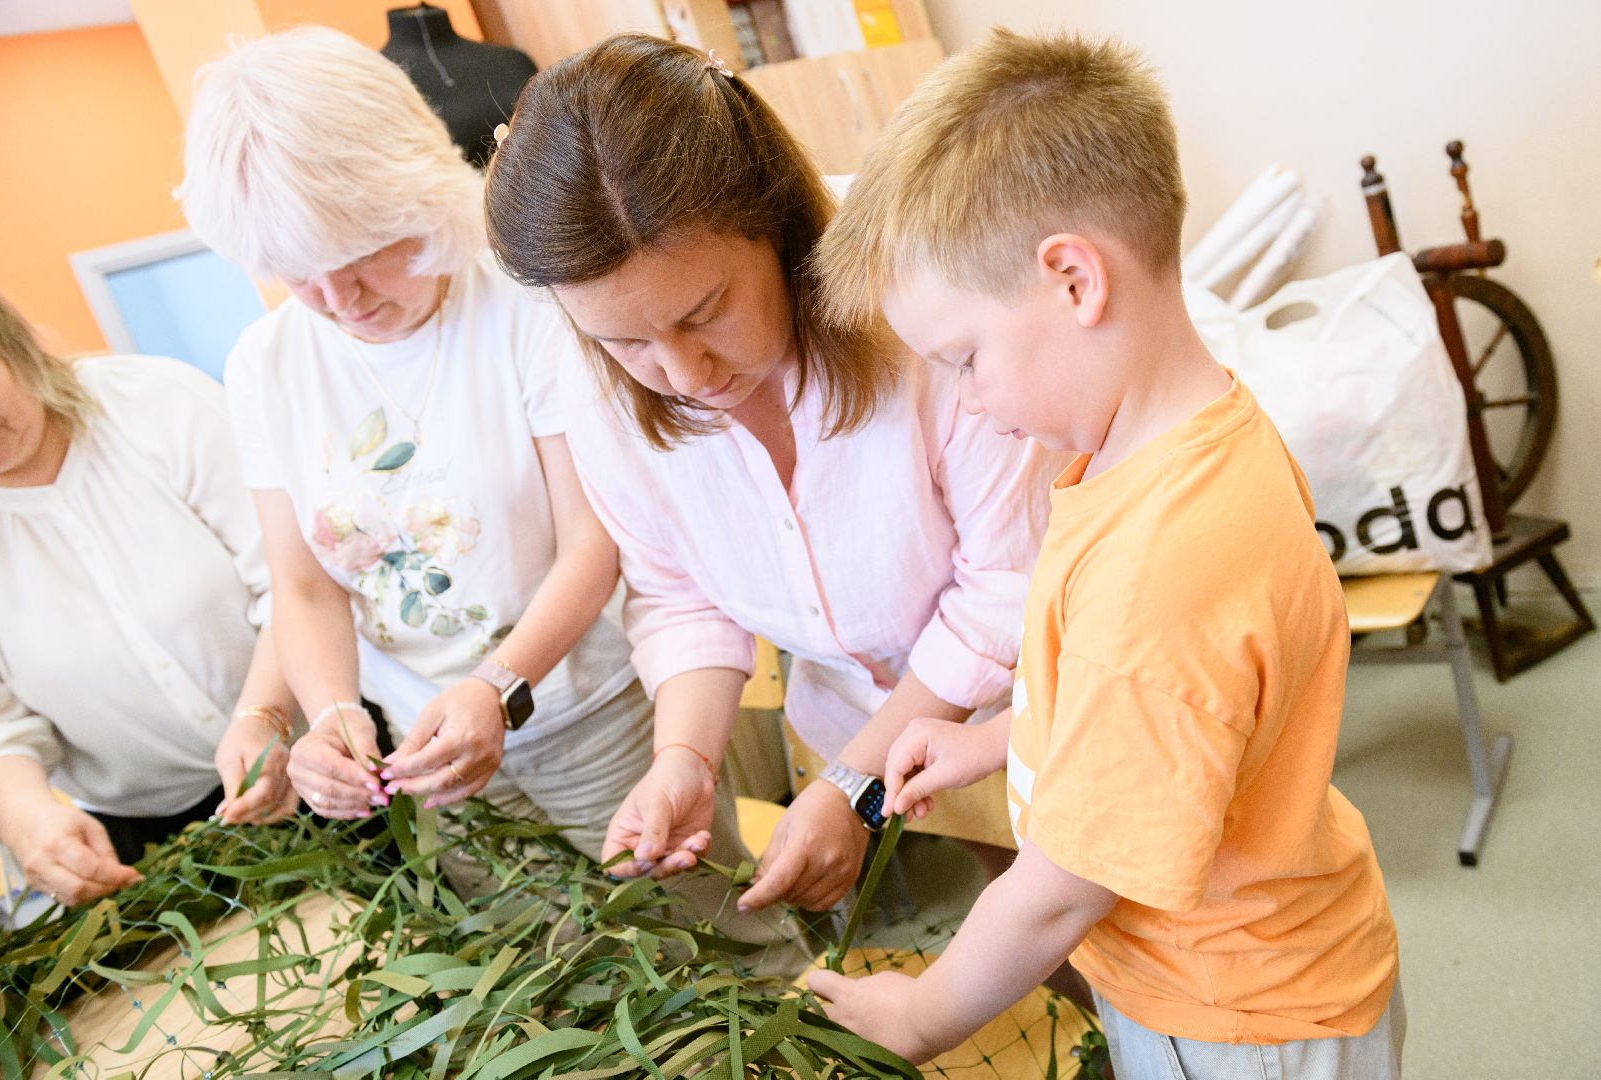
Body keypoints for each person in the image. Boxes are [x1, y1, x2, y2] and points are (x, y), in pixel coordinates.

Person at [806, 29, 1403, 1079]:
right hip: (1233, 971)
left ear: (1075, 280)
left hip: (1236, 1012)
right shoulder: (1167, 447)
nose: (968, 398)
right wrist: (993, 743)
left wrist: (924, 1012)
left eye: (965, 358)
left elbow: (1059, 894)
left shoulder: (1164, 566)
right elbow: (1138, 717)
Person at [485, 32, 1062, 914]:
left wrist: (852, 782)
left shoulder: (916, 293)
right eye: (626, 341)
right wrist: (685, 760)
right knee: (1013, 925)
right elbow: (682, 596)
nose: (682, 374)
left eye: (706, 312)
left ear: (776, 225)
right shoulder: (596, 385)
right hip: (883, 733)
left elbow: (1007, 590)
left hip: (1062, 692)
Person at [176, 27, 649, 865]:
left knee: (690, 942)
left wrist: (497, 686)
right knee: (541, 968)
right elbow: (303, 583)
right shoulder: (265, 364)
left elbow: (593, 541)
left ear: (417, 197)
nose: (335, 296)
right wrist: (330, 714)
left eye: (359, 254)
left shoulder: (527, 304)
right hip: (422, 744)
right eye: (294, 269)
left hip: (589, 710)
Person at [0, 281, 298, 908]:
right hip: (154, 838)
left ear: (8, 343)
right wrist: (29, 823)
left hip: (319, 752)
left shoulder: (158, 403)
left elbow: (295, 579)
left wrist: (266, 716)